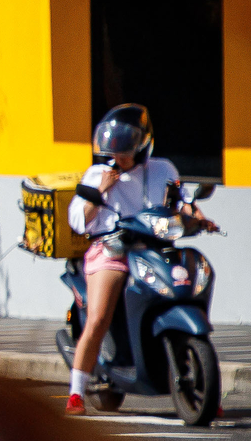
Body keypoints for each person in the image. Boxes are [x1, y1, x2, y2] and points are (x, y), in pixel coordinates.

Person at [65, 103, 216, 415]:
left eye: (126, 151)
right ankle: (76, 393)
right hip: (111, 249)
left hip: (154, 247)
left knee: (187, 275)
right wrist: (102, 191)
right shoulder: (98, 174)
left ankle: (205, 390)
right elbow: (79, 220)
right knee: (99, 316)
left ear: (142, 145)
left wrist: (200, 218)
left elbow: (182, 202)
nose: (119, 158)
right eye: (115, 151)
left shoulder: (163, 170)